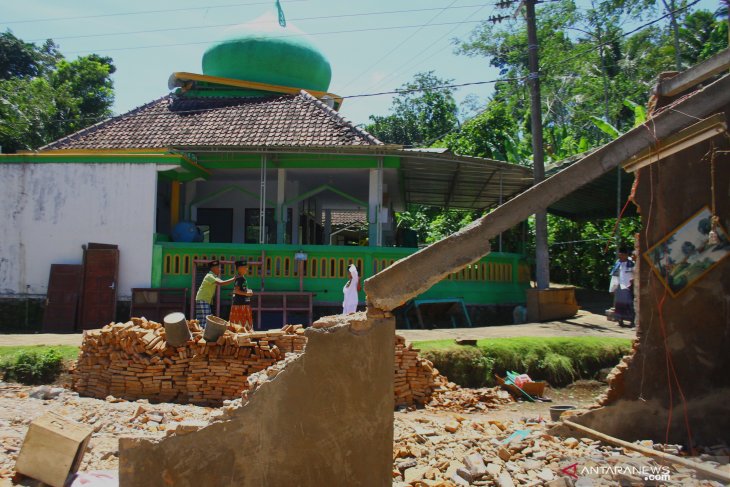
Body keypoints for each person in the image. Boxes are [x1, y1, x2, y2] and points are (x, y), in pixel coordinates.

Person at [195, 260, 234, 329]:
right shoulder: (209, 276)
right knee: (207, 318)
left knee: (202, 320)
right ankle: (204, 334)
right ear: (213, 268)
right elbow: (222, 283)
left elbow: (222, 282)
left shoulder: (214, 276)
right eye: (218, 267)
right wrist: (234, 278)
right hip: (203, 299)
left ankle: (200, 334)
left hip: (203, 299)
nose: (219, 269)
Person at [610, 246, 635, 327]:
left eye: (622, 255)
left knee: (630, 304)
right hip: (620, 286)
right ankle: (620, 320)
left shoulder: (631, 263)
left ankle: (632, 321)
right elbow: (615, 276)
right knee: (619, 305)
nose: (620, 257)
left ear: (626, 255)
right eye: (619, 255)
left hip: (629, 286)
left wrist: (633, 280)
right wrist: (612, 288)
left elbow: (636, 274)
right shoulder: (618, 263)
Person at [229, 260, 254, 332]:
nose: (247, 269)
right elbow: (236, 291)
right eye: (245, 267)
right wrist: (246, 293)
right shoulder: (239, 279)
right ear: (239, 268)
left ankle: (246, 337)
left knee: (245, 323)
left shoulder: (243, 278)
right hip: (240, 305)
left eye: (246, 267)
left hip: (244, 304)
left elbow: (243, 289)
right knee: (239, 324)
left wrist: (249, 290)